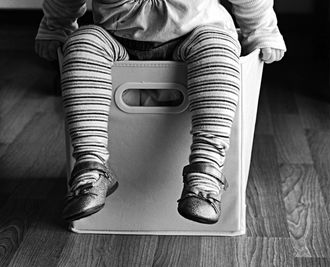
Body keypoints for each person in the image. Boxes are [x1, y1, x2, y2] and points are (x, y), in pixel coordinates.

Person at [35, 0, 286, 224]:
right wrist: (56, 27)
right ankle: (91, 167)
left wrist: (261, 31)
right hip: (117, 38)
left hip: (197, 33)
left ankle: (205, 173)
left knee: (219, 48)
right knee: (82, 42)